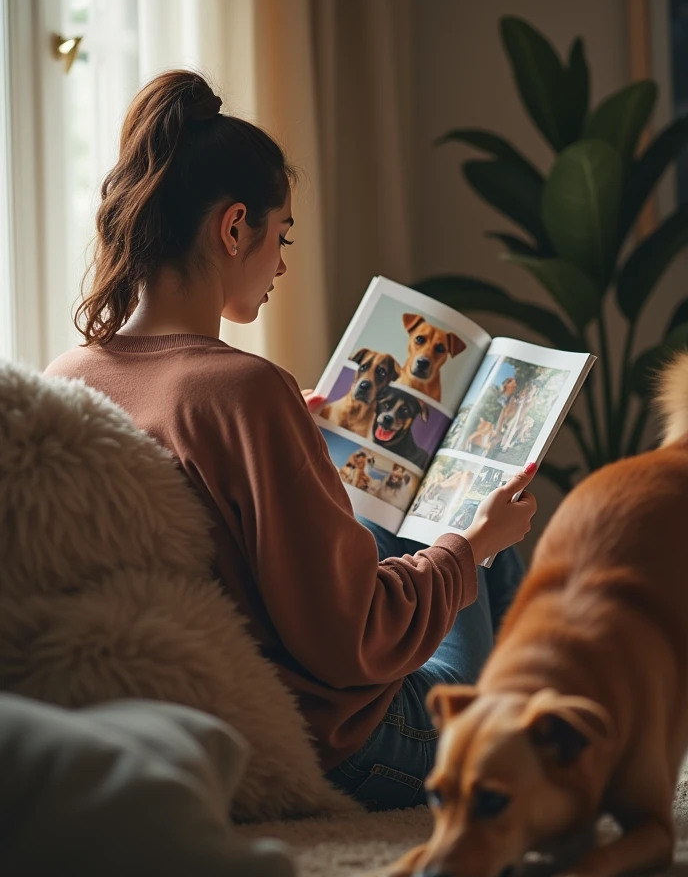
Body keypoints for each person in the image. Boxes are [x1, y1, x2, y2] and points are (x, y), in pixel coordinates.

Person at [45, 70, 537, 811]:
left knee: (424, 529)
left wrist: (294, 440)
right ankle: (528, 752)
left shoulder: (70, 372)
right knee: (485, 552)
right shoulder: (243, 390)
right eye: (282, 235)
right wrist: (470, 545)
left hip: (187, 708)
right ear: (234, 226)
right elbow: (352, 639)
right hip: (343, 736)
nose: (280, 263)